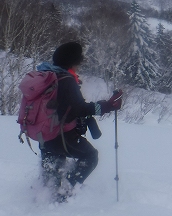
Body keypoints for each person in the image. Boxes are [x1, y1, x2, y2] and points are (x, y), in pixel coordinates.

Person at [36, 41, 123, 201]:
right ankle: (65, 192)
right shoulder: (66, 81)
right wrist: (107, 106)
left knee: (53, 170)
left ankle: (43, 198)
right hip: (61, 135)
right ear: (73, 62)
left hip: (42, 134)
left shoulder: (46, 76)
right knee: (91, 156)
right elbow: (79, 109)